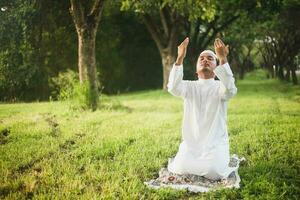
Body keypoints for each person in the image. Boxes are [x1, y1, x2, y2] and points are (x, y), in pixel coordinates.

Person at [167, 37, 237, 180]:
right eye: (202, 58)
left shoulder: (220, 87)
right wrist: (180, 57)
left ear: (216, 68)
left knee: (213, 171)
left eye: (210, 58)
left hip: (215, 145)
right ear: (196, 70)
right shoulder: (188, 86)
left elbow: (230, 90)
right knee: (180, 167)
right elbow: (173, 87)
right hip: (192, 146)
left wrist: (223, 58)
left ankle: (214, 161)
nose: (205, 60)